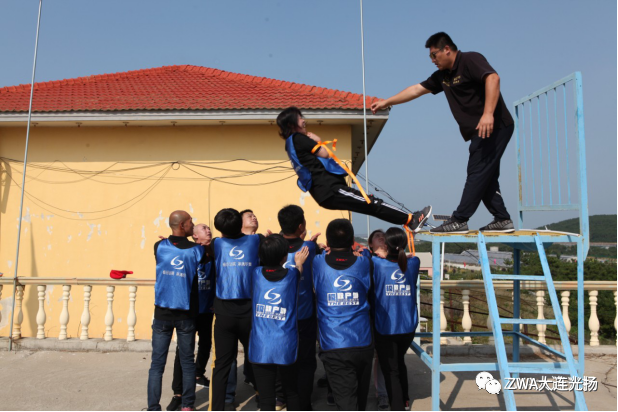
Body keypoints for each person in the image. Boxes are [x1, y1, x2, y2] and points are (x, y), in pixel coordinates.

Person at [371, 32, 515, 234]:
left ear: (447, 49)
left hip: (496, 126)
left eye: (434, 55)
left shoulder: (470, 60)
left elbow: (493, 78)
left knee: (476, 173)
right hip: (480, 131)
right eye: (430, 57)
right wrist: (387, 101)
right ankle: (502, 218)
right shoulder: (442, 76)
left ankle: (460, 220)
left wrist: (488, 114)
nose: (432, 60)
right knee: (485, 175)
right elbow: (416, 89)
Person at [277, 107, 431, 232]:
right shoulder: (298, 138)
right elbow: (324, 153)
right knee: (372, 203)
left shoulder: (289, 145)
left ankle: (408, 220)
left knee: (371, 206)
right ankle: (411, 220)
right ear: (292, 124)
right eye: (300, 118)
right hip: (330, 189)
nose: (304, 120)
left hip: (324, 193)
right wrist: (318, 141)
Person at [313, 219, 374, 410]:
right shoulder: (364, 263)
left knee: (346, 402)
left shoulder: (318, 262)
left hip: (334, 343)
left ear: (328, 242)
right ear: (352, 240)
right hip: (362, 341)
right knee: (360, 401)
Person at [148, 210, 205, 411]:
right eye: (190, 222)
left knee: (157, 365)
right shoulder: (197, 250)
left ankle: (153, 407)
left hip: (162, 313)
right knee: (187, 363)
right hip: (186, 314)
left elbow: (169, 249)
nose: (193, 225)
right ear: (182, 225)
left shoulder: (159, 246)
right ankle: (187, 406)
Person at [248, 234, 309, 411]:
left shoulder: (256, 274)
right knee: (291, 393)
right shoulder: (292, 275)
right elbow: (298, 271)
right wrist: (299, 262)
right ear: (284, 257)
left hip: (260, 346)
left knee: (266, 398)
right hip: (286, 345)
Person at [209, 208, 261, 411]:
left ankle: (219, 406)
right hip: (250, 311)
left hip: (224, 312)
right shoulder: (257, 241)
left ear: (220, 229)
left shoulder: (216, 244)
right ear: (240, 223)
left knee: (221, 364)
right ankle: (264, 398)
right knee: (256, 358)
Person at [166, 224, 215, 411]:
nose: (208, 230)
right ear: (194, 235)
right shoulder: (187, 251)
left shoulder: (214, 252)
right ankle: (178, 393)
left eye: (209, 228)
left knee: (206, 344)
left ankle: (198, 374)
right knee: (184, 351)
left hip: (207, 310)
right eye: (204, 228)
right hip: (189, 310)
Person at [372, 228, 420, 411]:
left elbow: (370, 257)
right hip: (408, 326)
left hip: (386, 328)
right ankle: (405, 400)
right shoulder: (414, 263)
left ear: (386, 245)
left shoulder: (377, 263)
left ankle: (398, 406)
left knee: (391, 370)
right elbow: (410, 257)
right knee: (399, 362)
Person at [277, 205, 320, 410]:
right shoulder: (308, 248)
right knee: (306, 361)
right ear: (301, 226)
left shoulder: (273, 246)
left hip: (280, 314)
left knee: (284, 357)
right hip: (304, 314)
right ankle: (303, 402)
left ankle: (283, 397)